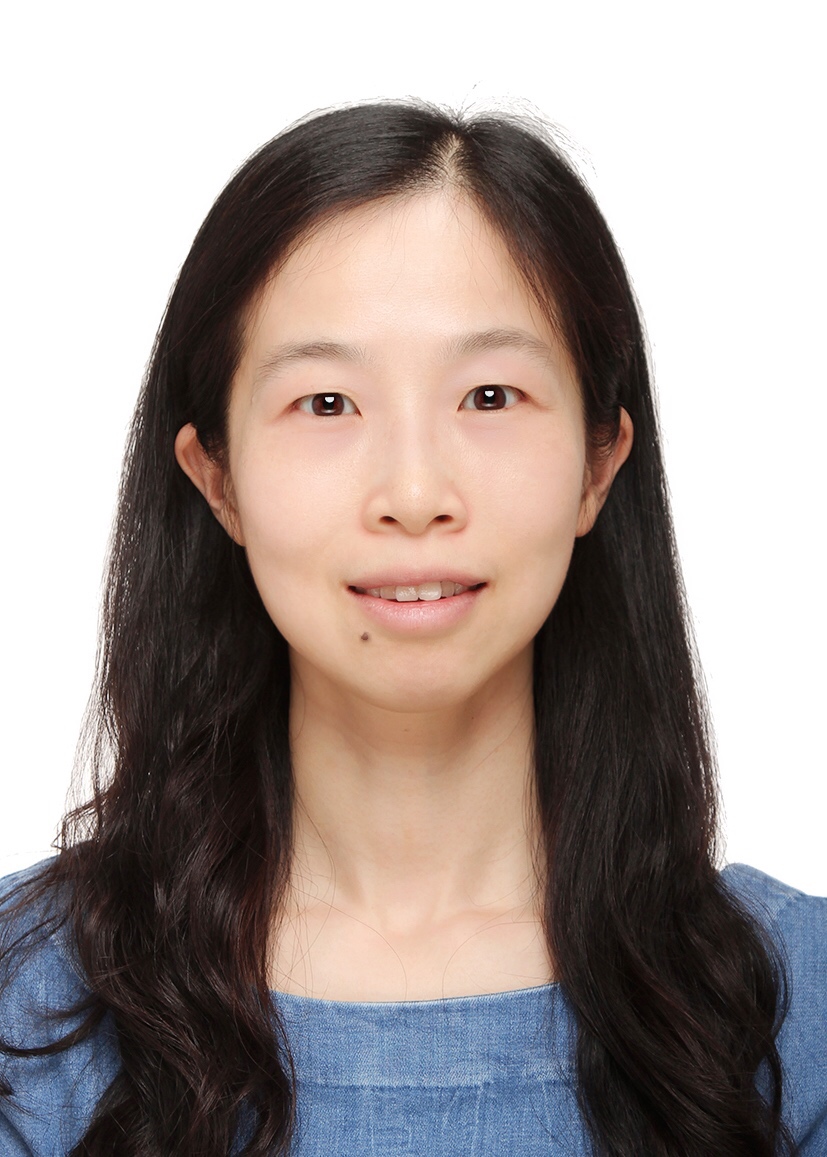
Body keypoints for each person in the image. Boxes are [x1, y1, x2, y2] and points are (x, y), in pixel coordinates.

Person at [0, 99, 824, 1157]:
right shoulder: (29, 1009)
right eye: (327, 403)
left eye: (489, 395)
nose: (415, 492)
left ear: (598, 463)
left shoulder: (790, 1012)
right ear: (216, 479)